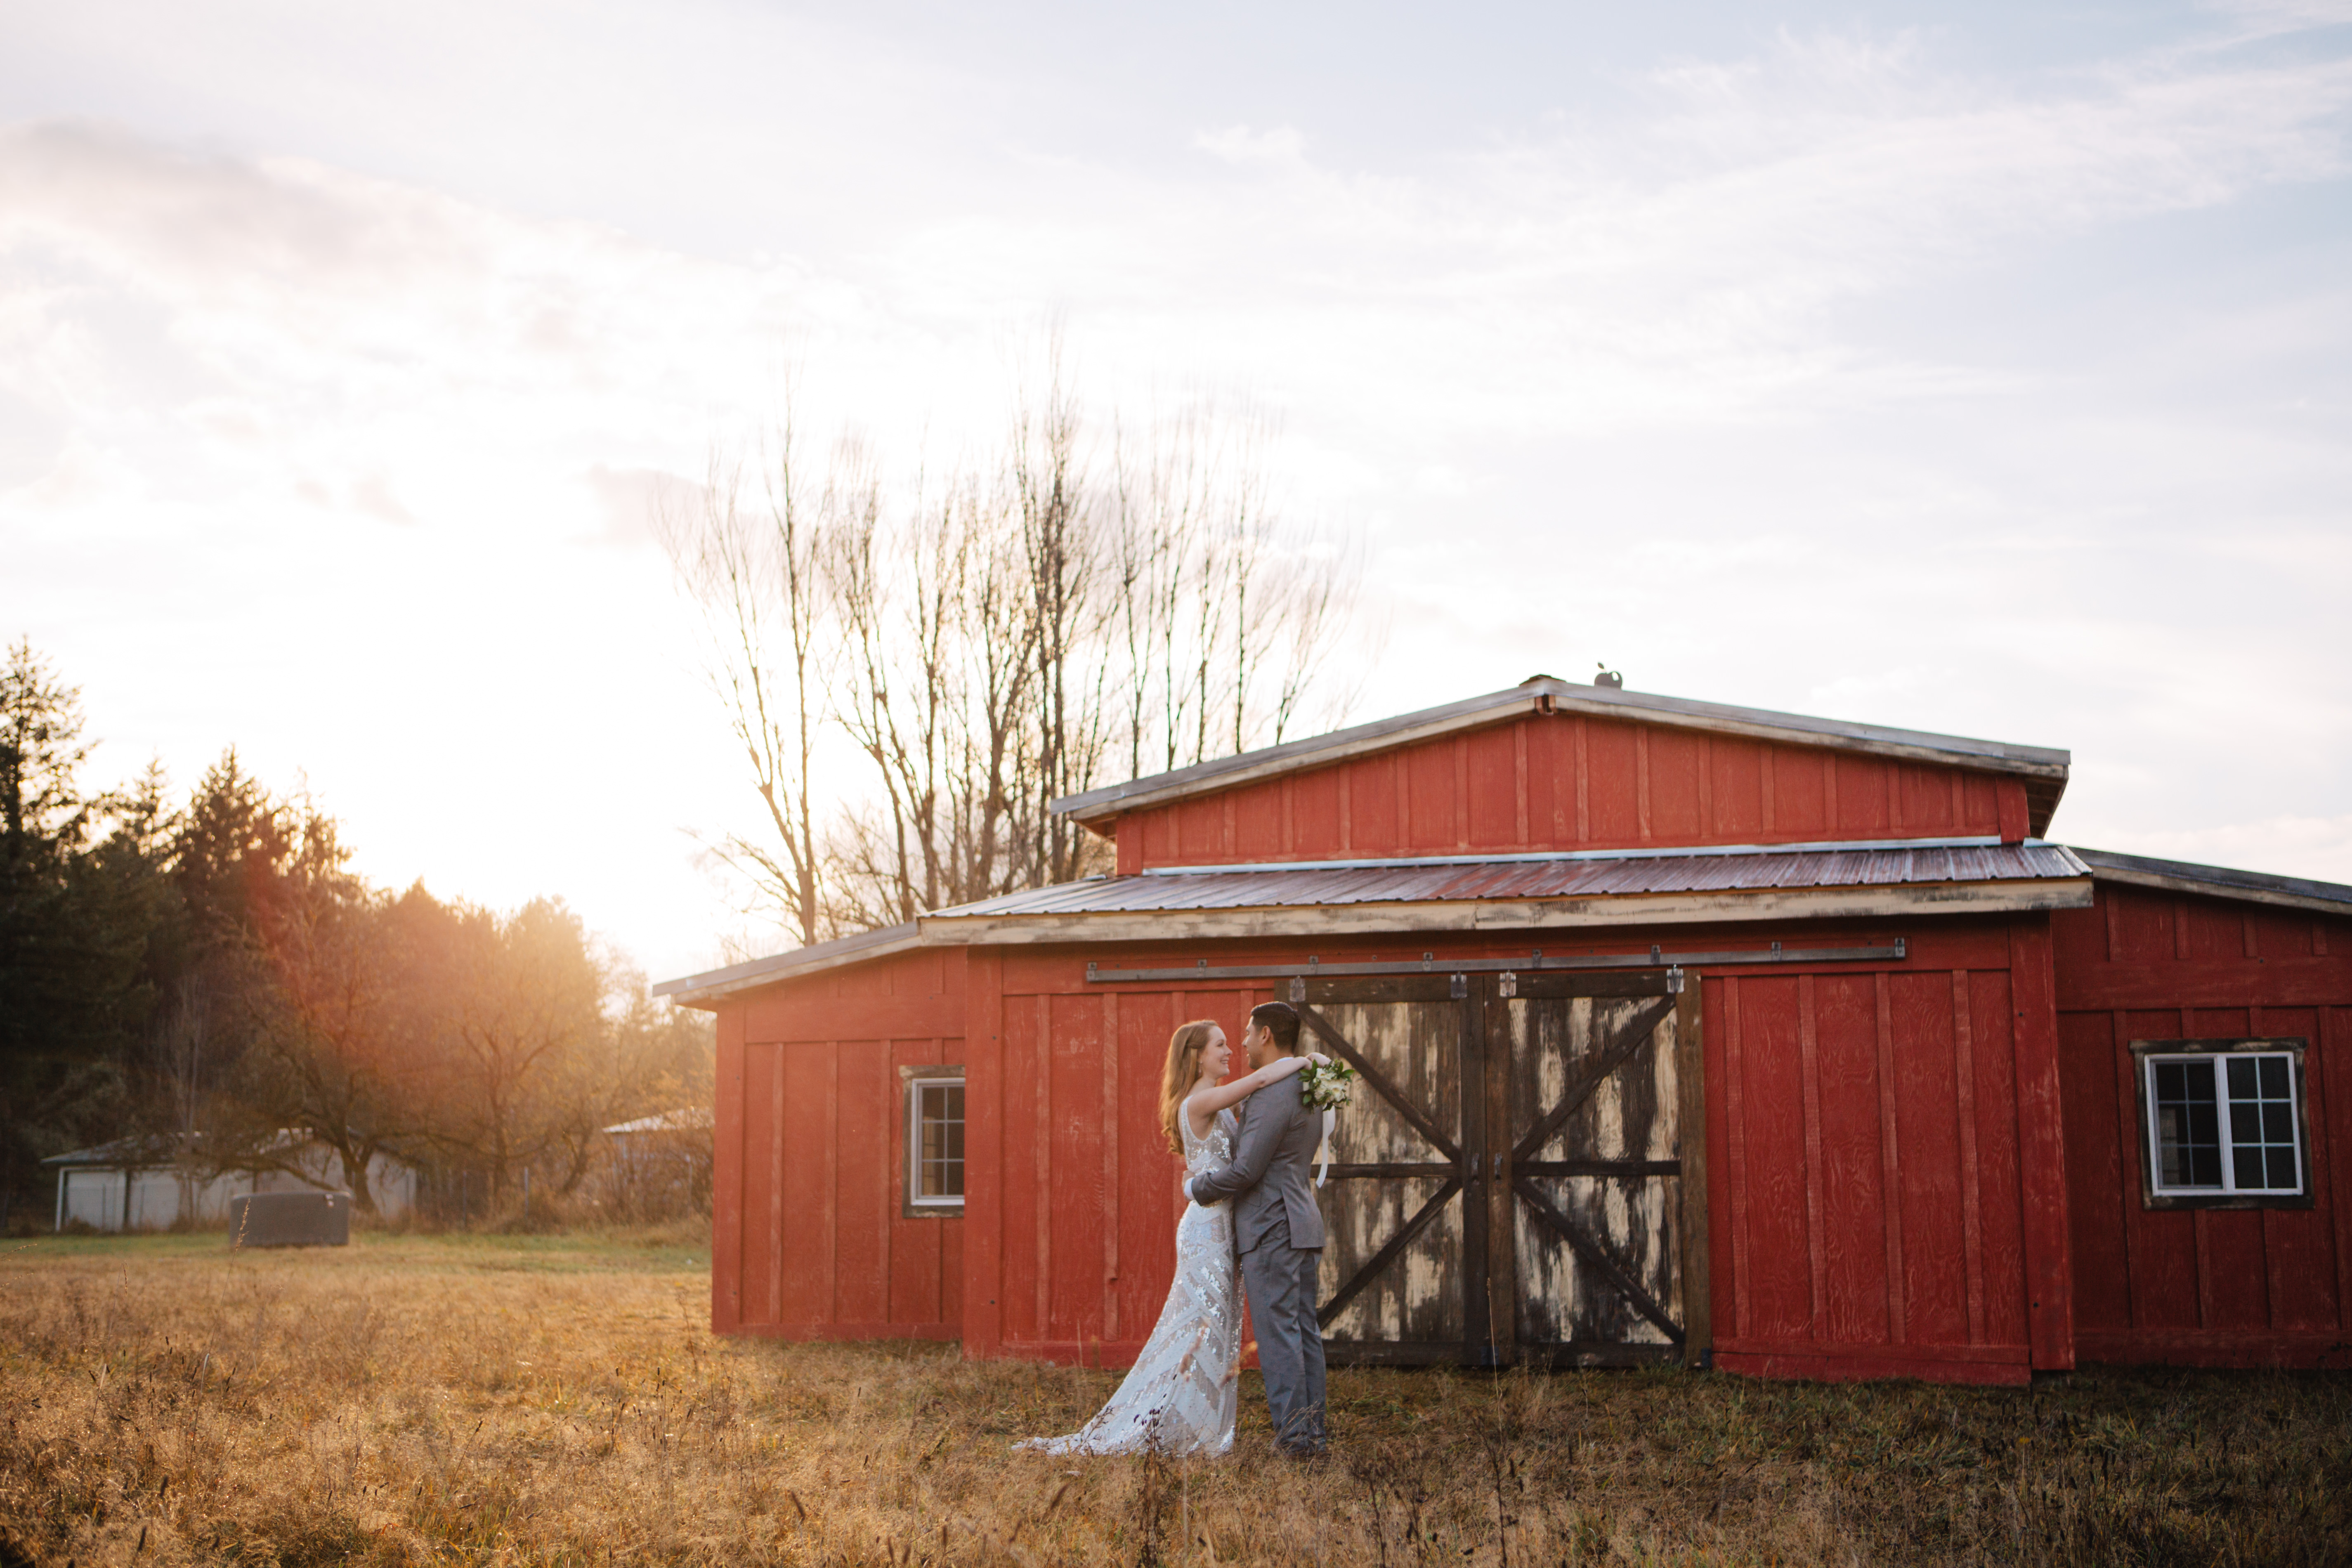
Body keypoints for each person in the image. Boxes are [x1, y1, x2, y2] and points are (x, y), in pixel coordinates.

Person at [1015, 1017, 1322, 1456]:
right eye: (1219, 1045)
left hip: (1226, 1226)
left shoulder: (1220, 1105)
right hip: (1207, 1227)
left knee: (1217, 1328)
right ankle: (1172, 1423)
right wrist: (1309, 1062)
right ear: (1196, 1055)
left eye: (1230, 1043)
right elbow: (1262, 1078)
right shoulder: (1200, 1100)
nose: (1229, 1050)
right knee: (1200, 1329)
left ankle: (1202, 1423)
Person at [1184, 1001, 1329, 1458]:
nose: (1242, 1042)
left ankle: (1296, 1443)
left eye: (1246, 1033)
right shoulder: (1307, 1086)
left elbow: (1246, 1170)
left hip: (1273, 1227)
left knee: (1281, 1336)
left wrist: (1197, 1187)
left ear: (1266, 1035)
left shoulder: (1273, 1093)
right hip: (1301, 1220)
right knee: (1304, 1333)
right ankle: (1312, 1433)